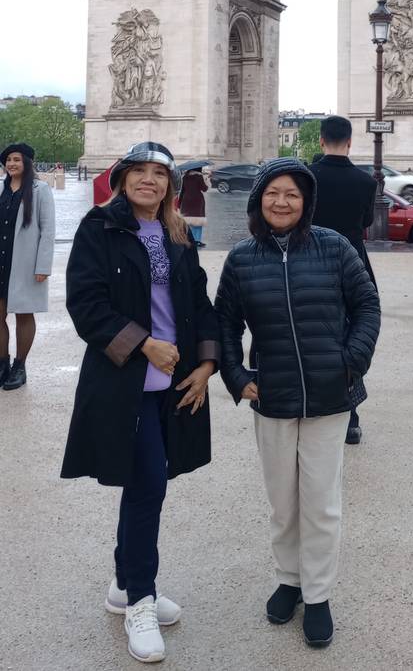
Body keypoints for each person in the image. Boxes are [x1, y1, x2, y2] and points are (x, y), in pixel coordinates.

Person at [61, 142, 221, 664]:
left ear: (170, 185)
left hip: (174, 383)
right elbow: (86, 304)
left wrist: (206, 364)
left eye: (160, 174)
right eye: (140, 172)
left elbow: (198, 302)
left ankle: (122, 584)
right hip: (126, 381)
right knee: (148, 485)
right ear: (123, 178)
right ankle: (141, 598)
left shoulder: (178, 233)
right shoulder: (97, 228)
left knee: (146, 482)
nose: (149, 181)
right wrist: (144, 343)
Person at [215, 158, 380, 649]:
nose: (281, 202)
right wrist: (237, 375)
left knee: (321, 504)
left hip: (330, 397)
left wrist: (351, 362)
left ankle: (319, 592)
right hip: (273, 395)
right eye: (272, 193)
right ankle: (290, 579)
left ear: (306, 201)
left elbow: (367, 305)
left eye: (291, 194)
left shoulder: (335, 247)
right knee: (282, 502)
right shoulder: (242, 257)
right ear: (258, 200)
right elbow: (224, 323)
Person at [309, 115, 377, 445]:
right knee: (352, 336)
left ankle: (313, 407)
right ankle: (350, 416)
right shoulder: (365, 181)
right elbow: (365, 221)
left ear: (321, 141)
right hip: (354, 265)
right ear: (350, 142)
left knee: (313, 335)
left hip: (312, 263)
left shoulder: (308, 177)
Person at [0, 142, 55, 390]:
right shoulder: (0, 189)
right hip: (1, 260)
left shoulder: (40, 189)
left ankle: (19, 367)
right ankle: (2, 364)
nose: (12, 164)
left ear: (27, 163)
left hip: (23, 262)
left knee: (23, 314)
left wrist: (43, 265)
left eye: (17, 159)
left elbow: (48, 229)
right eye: (9, 159)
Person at [179, 168, 208, 247]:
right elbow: (204, 189)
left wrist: (179, 203)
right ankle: (197, 240)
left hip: (186, 200)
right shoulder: (199, 177)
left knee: (188, 222)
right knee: (198, 222)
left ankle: (189, 239)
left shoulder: (185, 177)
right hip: (197, 200)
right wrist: (206, 181)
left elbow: (182, 191)